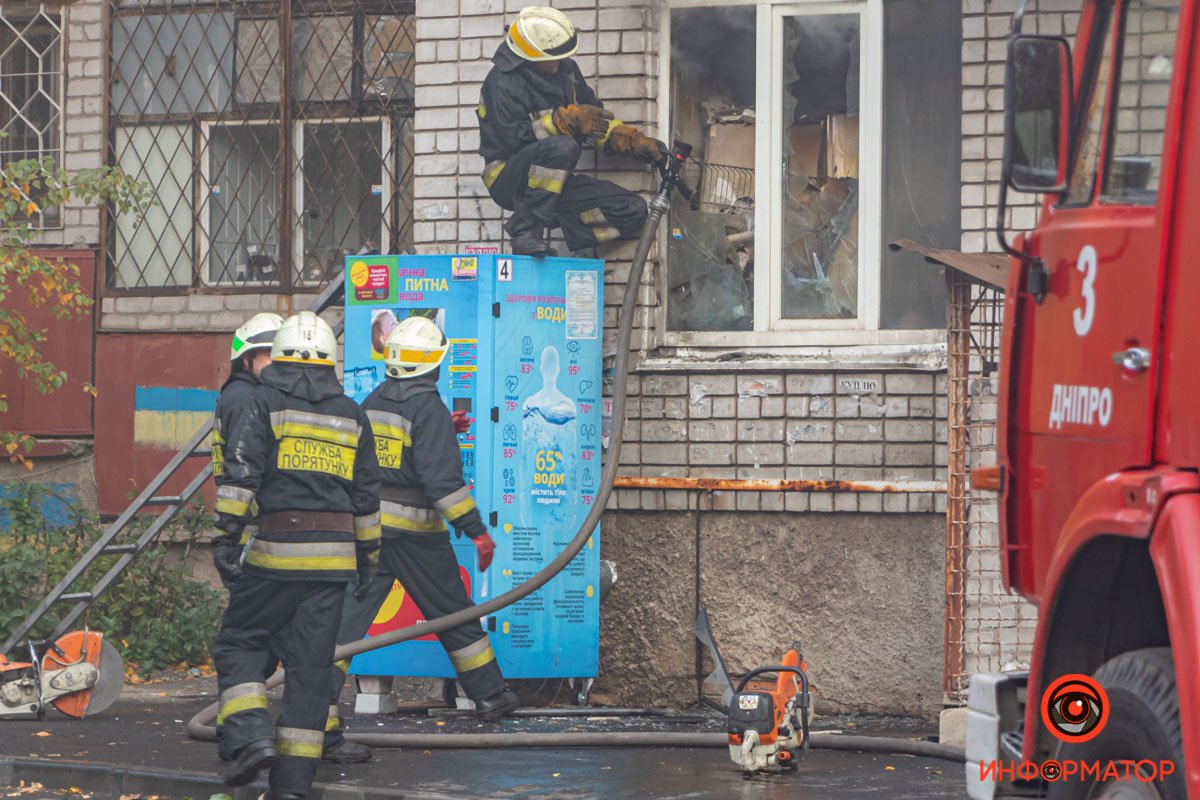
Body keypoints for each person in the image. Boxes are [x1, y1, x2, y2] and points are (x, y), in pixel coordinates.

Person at [321, 316, 519, 764]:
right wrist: (478, 534)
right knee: (453, 612)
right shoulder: (426, 409)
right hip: (416, 537)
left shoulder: (373, 400)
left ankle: (319, 707)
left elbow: (389, 453)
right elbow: (442, 484)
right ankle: (489, 695)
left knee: (344, 625)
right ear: (433, 364)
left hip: (370, 532)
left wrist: (441, 427)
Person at [210, 311, 382, 799]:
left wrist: (226, 538)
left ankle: (249, 737)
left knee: (239, 642)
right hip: (332, 567)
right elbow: (367, 499)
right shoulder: (352, 414)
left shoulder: (262, 403)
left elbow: (242, 473)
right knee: (309, 675)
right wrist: (366, 563)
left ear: (279, 355)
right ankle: (292, 789)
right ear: (331, 361)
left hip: (275, 557)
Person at [477, 5, 667, 256]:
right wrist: (558, 123)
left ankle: (555, 219)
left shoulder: (567, 72)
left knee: (632, 209)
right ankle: (525, 233)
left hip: (553, 180)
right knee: (564, 145)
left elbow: (593, 120)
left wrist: (634, 142)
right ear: (530, 56)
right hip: (508, 177)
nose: (557, 63)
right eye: (550, 58)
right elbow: (506, 140)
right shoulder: (501, 83)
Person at [211, 311, 283, 762]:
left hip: (260, 530)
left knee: (269, 639)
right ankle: (241, 734)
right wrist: (228, 538)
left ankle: (240, 731)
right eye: (268, 355)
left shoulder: (251, 395)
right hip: (257, 532)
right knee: (252, 642)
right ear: (247, 359)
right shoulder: (246, 401)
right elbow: (242, 473)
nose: (277, 363)